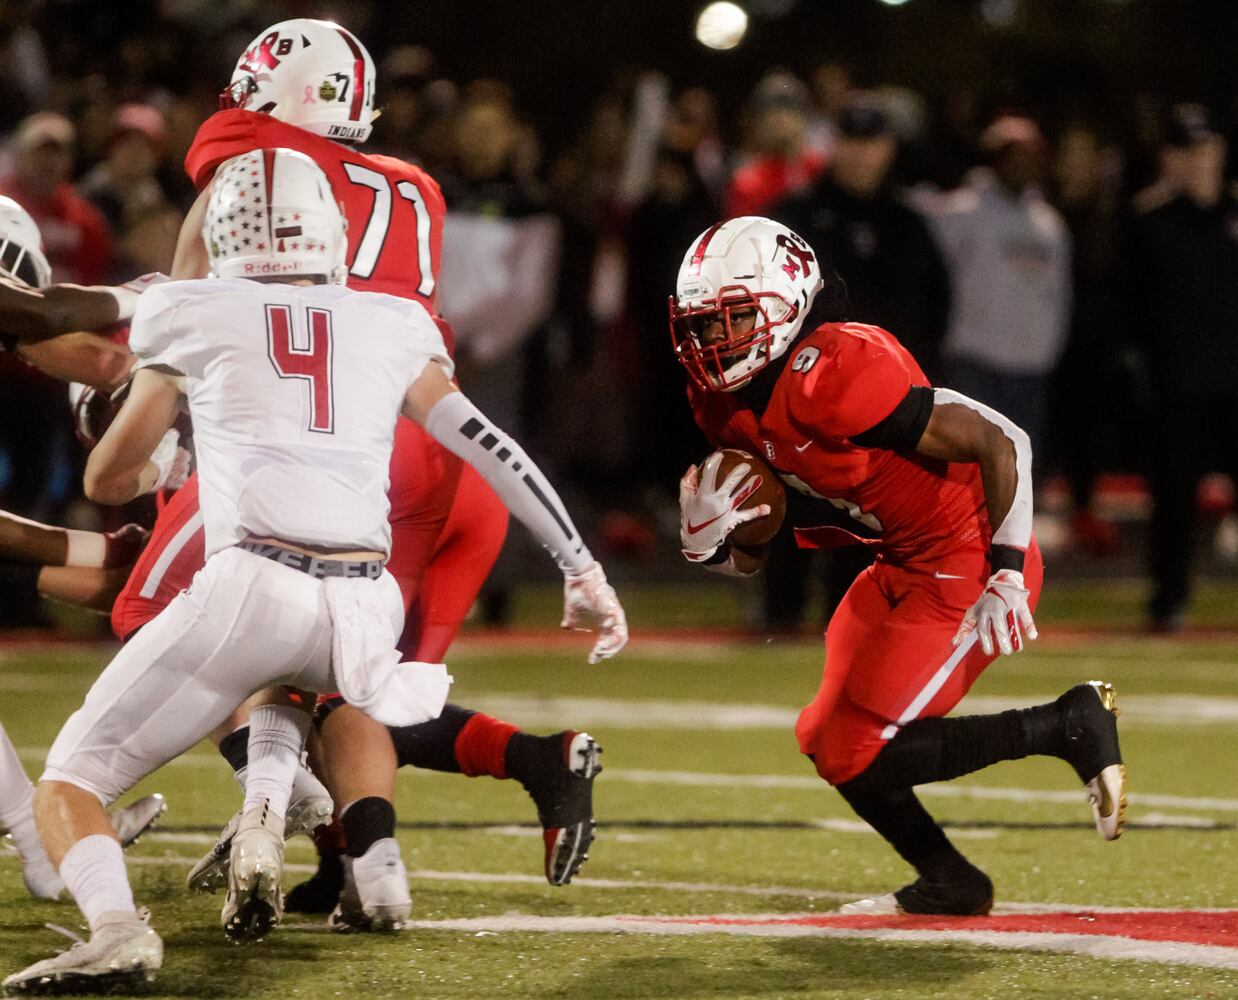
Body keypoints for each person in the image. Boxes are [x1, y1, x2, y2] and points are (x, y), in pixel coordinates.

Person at [3, 147, 626, 995]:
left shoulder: (191, 310)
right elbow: (489, 444)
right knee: (295, 681)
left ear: (222, 235)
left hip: (254, 581)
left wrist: (171, 460)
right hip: (366, 604)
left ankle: (117, 929)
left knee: (71, 781)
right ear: (330, 232)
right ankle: (276, 794)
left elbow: (108, 479)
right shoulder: (393, 319)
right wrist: (580, 564)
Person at [115, 19, 601, 921]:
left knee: (159, 612)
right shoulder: (415, 186)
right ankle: (368, 871)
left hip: (325, 443)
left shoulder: (249, 172)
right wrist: (581, 563)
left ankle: (281, 797)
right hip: (433, 447)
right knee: (359, 681)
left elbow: (185, 322)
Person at [670, 216, 1124, 915]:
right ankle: (951, 879)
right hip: (897, 563)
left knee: (862, 748)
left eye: (730, 320)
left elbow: (1003, 441)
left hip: (968, 560)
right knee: (825, 741)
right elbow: (797, 518)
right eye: (700, 326)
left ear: (786, 301)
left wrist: (1006, 568)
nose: (711, 344)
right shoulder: (721, 404)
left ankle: (1065, 723)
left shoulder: (837, 370)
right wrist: (727, 539)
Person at [1121, 104, 1238, 631]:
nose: (1199, 162)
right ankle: (1169, 601)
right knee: (1172, 504)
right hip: (1178, 388)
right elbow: (1124, 311)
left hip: (1234, 387)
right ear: (1169, 159)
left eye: (1206, 149)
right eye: (1187, 152)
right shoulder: (1148, 222)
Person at [921, 115, 1071, 466]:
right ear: (994, 159)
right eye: (1012, 155)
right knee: (965, 468)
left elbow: (1059, 295)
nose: (1022, 164)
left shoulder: (1049, 224)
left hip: (1030, 369)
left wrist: (1049, 349)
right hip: (975, 362)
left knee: (1020, 470)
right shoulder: (959, 212)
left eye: (1030, 156)